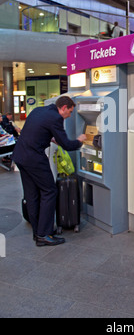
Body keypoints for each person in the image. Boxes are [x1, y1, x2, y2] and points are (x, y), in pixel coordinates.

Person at [12, 96, 86, 247]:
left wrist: (50, 138)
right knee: (50, 191)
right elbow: (67, 145)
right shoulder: (56, 118)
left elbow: (34, 131)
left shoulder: (39, 110)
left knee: (32, 195)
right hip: (34, 159)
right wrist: (80, 140)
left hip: (20, 156)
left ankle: (38, 234)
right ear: (64, 108)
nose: (70, 115)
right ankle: (44, 234)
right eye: (70, 112)